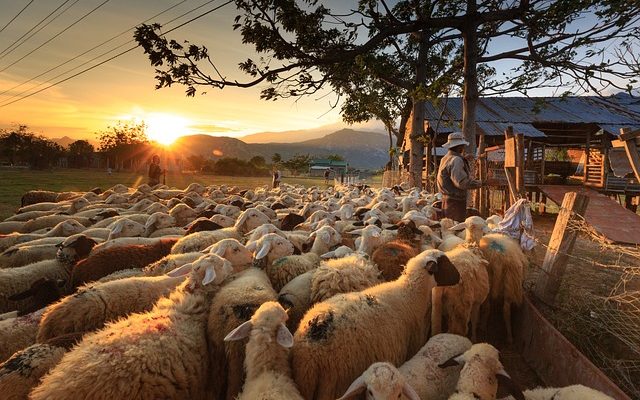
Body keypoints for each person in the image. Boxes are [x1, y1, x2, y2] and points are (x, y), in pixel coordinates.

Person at [436, 132, 483, 223]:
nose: (463, 148)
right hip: (455, 203)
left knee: (448, 229)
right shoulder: (456, 160)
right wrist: (482, 183)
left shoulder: (445, 158)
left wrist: (463, 158)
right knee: (456, 229)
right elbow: (461, 183)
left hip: (446, 200)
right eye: (462, 146)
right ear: (459, 146)